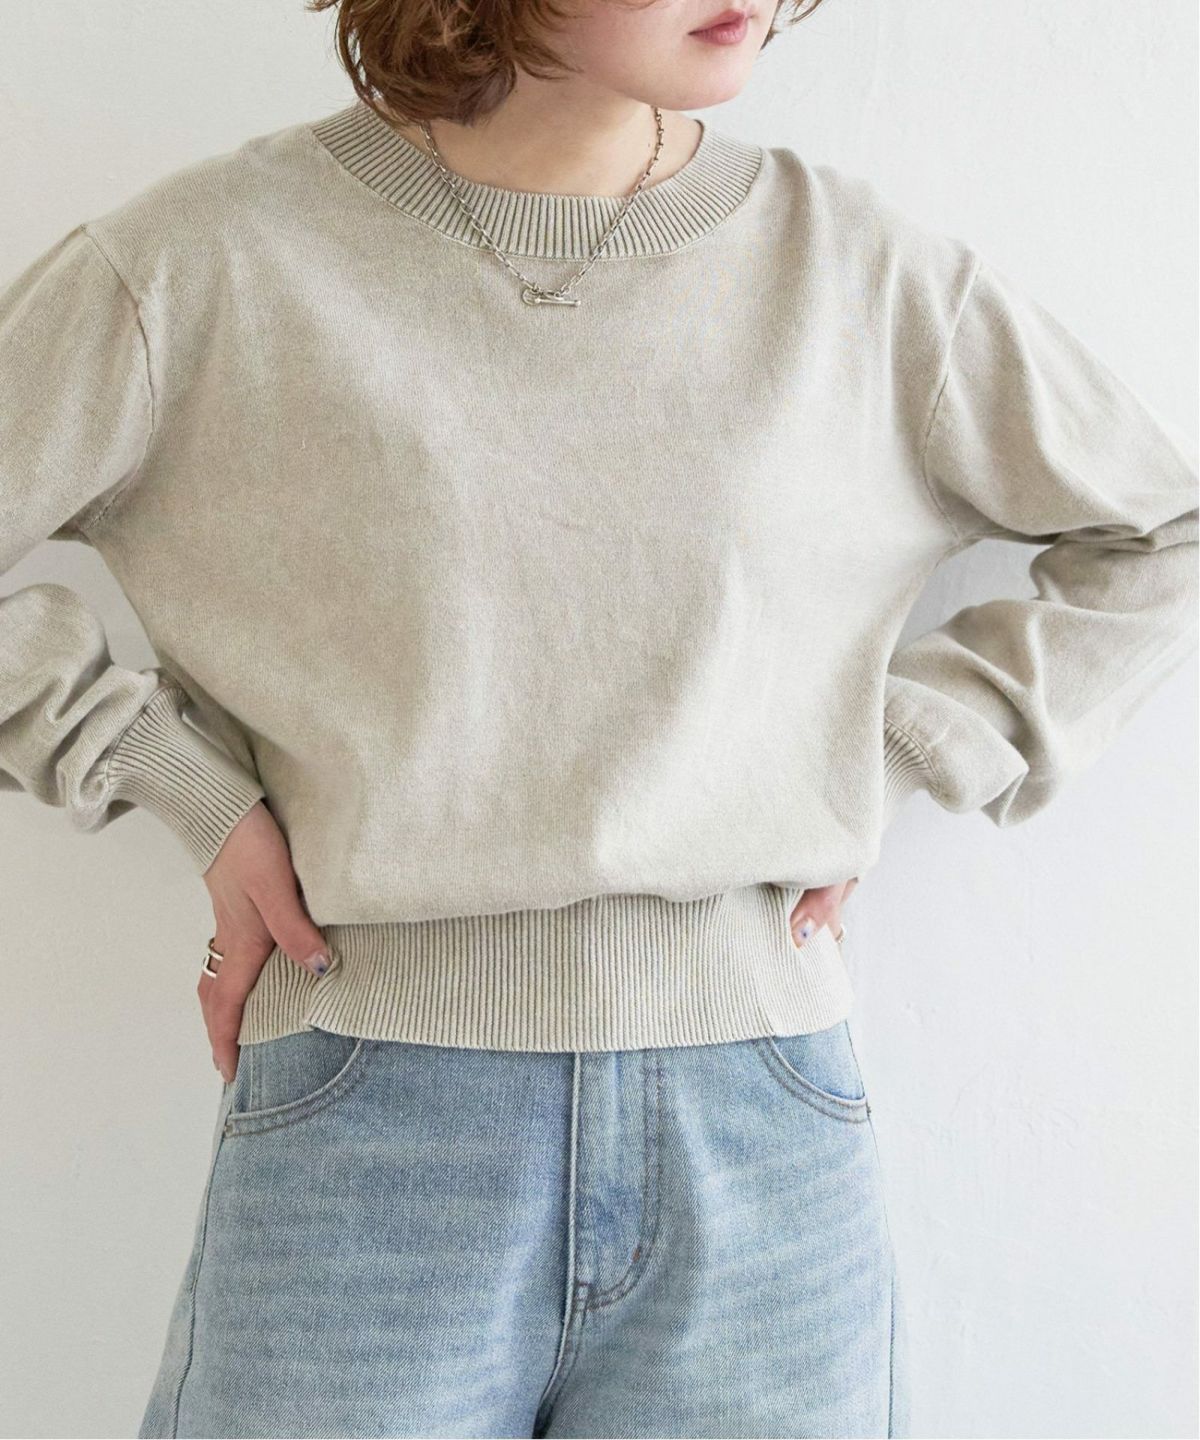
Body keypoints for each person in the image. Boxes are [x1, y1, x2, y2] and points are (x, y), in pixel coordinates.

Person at [1, 0, 1195, 1435]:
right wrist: (175, 783)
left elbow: (1161, 533)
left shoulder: (856, 274)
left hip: (761, 1135)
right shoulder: (203, 264)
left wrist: (895, 753)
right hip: (364, 1127)